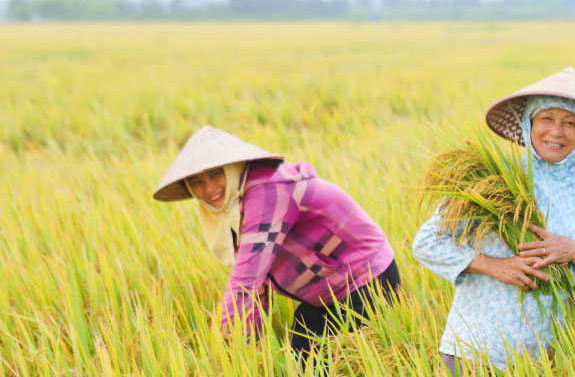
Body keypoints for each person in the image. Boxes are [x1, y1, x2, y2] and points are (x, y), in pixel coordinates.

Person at [413, 67, 575, 374]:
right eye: (546, 119)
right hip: (471, 353)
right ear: (529, 124)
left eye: (571, 123)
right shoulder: (494, 179)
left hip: (544, 366)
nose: (556, 131)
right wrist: (494, 265)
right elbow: (427, 242)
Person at [152, 126, 399, 360]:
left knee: (344, 368)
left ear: (232, 168)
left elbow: (246, 280)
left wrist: (224, 349)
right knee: (304, 366)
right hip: (326, 293)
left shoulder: (267, 192)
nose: (209, 188)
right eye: (196, 181)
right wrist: (245, 346)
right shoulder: (234, 206)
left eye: (215, 174)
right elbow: (256, 289)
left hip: (367, 281)